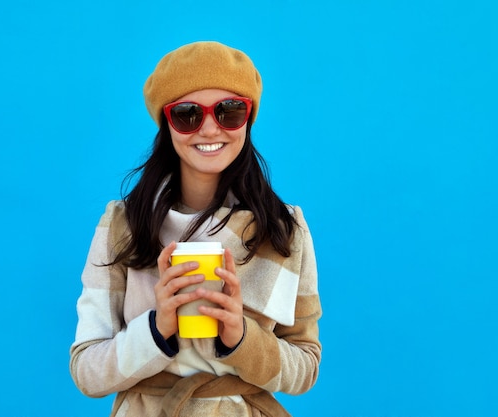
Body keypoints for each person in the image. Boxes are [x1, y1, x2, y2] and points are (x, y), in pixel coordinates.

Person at [69, 41, 322, 417]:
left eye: (229, 111)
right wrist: (156, 328)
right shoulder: (123, 224)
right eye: (187, 114)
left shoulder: (284, 228)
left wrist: (242, 338)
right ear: (166, 123)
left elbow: (306, 368)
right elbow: (86, 371)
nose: (208, 128)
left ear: (248, 119)